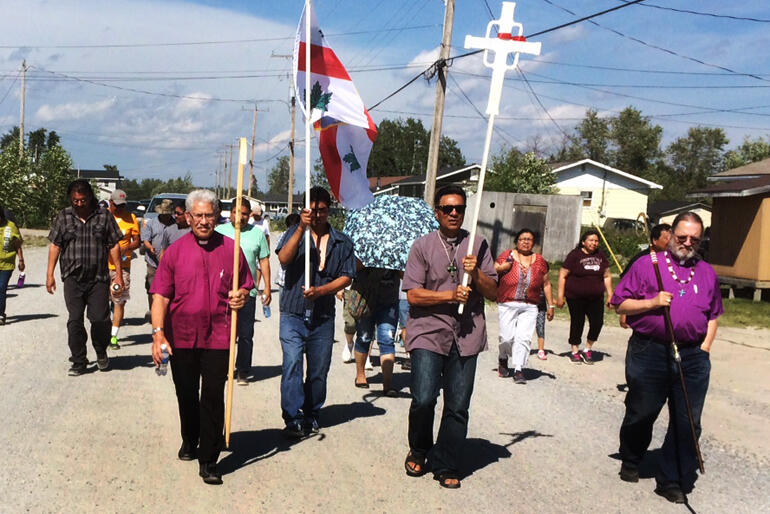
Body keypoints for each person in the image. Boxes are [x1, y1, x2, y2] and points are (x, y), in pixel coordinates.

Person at [611, 212, 721, 504]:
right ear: (671, 234)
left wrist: (705, 347)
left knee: (688, 421)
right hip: (650, 351)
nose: (687, 243)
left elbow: (713, 314)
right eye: (682, 236)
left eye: (694, 239)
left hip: (693, 354)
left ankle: (671, 478)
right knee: (642, 411)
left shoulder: (707, 272)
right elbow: (619, 304)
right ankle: (632, 457)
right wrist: (652, 302)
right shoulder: (648, 265)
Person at [150, 190, 253, 486]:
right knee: (186, 392)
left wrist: (241, 297)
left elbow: (245, 286)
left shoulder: (232, 250)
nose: (204, 221)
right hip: (180, 335)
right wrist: (158, 336)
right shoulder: (175, 252)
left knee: (211, 395)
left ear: (217, 216)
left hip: (218, 335)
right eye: (198, 216)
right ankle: (189, 437)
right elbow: (160, 297)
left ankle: (209, 459)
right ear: (188, 217)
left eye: (209, 215)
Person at [402, 185, 497, 489]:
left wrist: (477, 273)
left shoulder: (478, 245)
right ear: (438, 212)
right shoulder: (422, 246)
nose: (454, 213)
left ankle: (446, 462)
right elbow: (414, 295)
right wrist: (448, 295)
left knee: (457, 405)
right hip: (428, 332)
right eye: (448, 208)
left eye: (459, 208)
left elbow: (495, 291)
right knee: (424, 398)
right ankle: (419, 448)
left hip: (466, 336)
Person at [276, 187, 355, 438]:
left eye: (322, 210)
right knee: (292, 364)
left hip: (322, 317)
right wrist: (301, 228)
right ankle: (292, 416)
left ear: (329, 210)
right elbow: (284, 259)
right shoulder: (293, 233)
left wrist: (321, 291)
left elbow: (346, 276)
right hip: (293, 313)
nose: (317, 215)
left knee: (319, 370)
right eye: (312, 210)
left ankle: (312, 412)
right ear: (304, 210)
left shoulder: (342, 242)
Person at [47, 179, 124, 376]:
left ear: (89, 197)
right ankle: (79, 360)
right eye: (75, 200)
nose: (79, 204)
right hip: (72, 278)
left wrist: (118, 275)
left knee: (99, 319)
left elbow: (114, 245)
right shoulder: (63, 217)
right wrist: (50, 274)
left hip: (98, 278)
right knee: (74, 321)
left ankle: (100, 351)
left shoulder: (103, 216)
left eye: (82, 200)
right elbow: (55, 245)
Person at [215, 198, 271, 386]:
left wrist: (267, 288)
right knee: (223, 333)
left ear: (250, 215)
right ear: (230, 213)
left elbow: (263, 261)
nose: (241, 216)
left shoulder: (257, 235)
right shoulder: (219, 232)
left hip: (247, 293)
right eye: (237, 212)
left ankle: (243, 370)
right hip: (223, 293)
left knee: (245, 334)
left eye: (245, 213)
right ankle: (222, 368)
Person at [494, 228, 554, 384]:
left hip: (530, 305)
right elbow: (493, 269)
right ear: (516, 241)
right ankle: (503, 357)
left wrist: (551, 305)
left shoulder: (540, 261)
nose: (526, 242)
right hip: (507, 302)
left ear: (533, 243)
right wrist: (502, 268)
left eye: (529, 239)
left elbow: (546, 284)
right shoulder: (507, 256)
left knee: (523, 337)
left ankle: (518, 369)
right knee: (507, 337)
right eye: (522, 239)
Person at [556, 230, 613, 364]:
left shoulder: (601, 256)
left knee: (597, 322)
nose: (594, 243)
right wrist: (560, 296)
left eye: (596, 241)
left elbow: (607, 276)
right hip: (575, 297)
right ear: (583, 242)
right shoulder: (574, 255)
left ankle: (587, 349)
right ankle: (575, 350)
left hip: (596, 297)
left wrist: (610, 295)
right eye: (591, 240)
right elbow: (562, 275)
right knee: (577, 322)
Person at [351, 266, 400, 395]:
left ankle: (387, 384)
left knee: (387, 340)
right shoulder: (365, 247)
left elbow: (403, 274)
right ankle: (360, 375)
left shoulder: (397, 249)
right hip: (365, 297)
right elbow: (354, 265)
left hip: (389, 300)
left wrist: (392, 264)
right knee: (364, 336)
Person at [619, 223, 671, 329]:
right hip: (644, 312)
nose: (670, 242)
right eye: (666, 238)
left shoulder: (672, 259)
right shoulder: (641, 260)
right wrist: (624, 314)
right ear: (655, 241)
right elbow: (626, 286)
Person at [107, 189, 141, 349]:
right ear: (110, 202)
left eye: (122, 206)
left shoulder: (131, 217)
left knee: (119, 301)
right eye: (117, 206)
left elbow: (137, 241)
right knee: (100, 302)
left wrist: (126, 248)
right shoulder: (103, 216)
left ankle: (113, 337)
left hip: (123, 266)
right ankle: (103, 331)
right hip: (102, 266)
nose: (120, 209)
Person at [140, 199, 175, 319]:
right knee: (152, 286)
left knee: (168, 287)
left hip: (170, 263)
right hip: (153, 262)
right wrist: (150, 248)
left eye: (167, 214)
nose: (165, 216)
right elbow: (145, 239)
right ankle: (152, 310)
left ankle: (167, 311)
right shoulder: (151, 223)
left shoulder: (175, 224)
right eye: (163, 214)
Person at [0, 204, 24, 326]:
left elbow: (17, 245)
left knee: (1, 288)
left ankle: (0, 314)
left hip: (6, 264)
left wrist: (21, 260)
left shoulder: (11, 226)